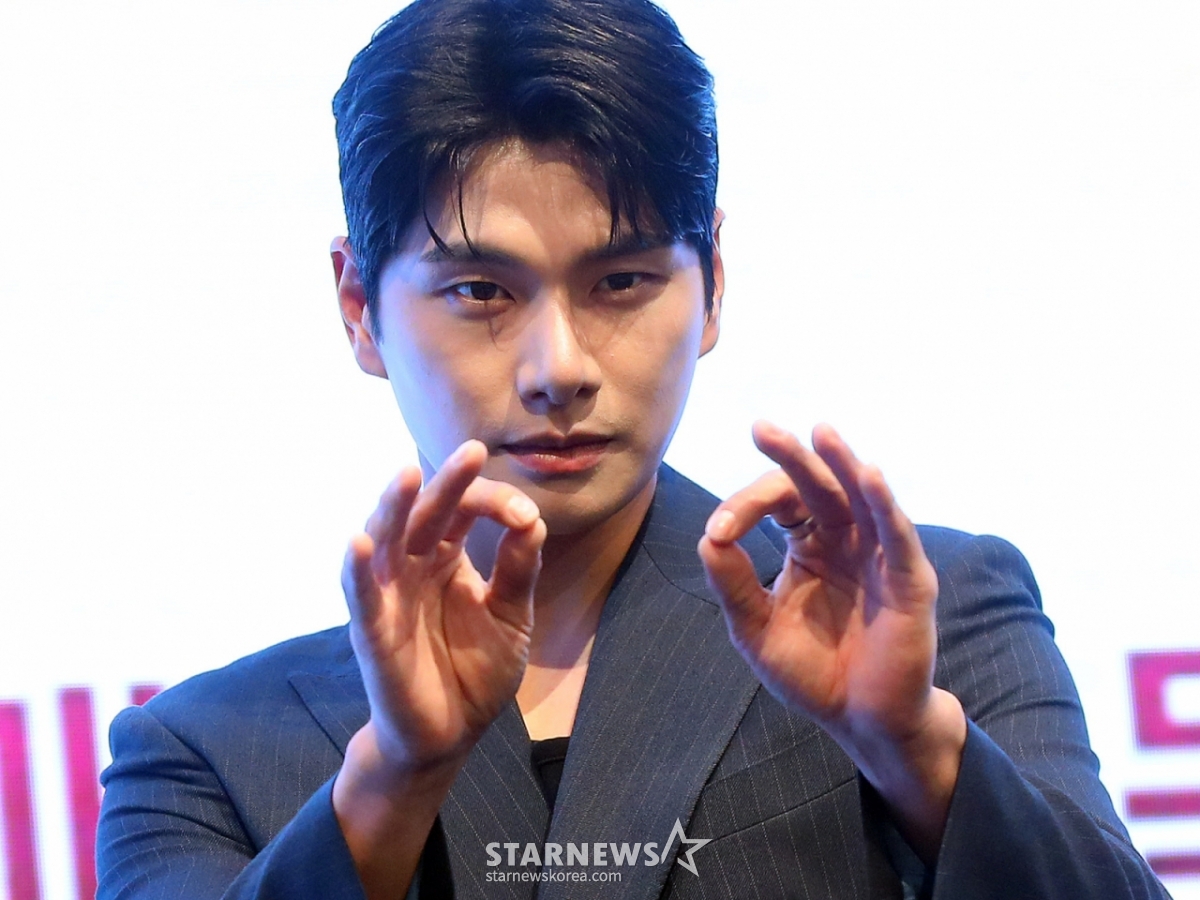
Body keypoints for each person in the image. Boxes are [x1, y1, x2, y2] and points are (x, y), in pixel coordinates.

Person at [96, 0, 1170, 898]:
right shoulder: (202, 754)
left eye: (621, 281)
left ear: (714, 286)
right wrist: (391, 781)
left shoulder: (930, 620)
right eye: (480, 292)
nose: (558, 366)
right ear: (357, 305)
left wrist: (916, 747)